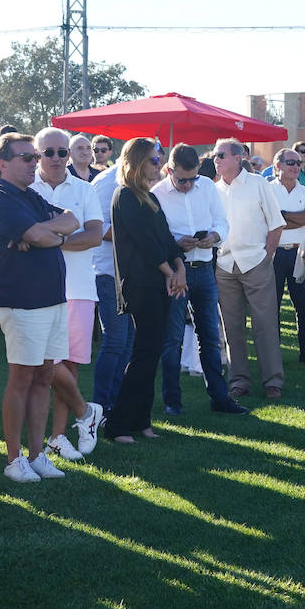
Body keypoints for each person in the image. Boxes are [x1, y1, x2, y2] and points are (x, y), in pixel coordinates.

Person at [0, 132, 84, 483]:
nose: (35, 162)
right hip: (22, 301)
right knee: (22, 378)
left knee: (44, 376)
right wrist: (45, 235)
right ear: (3, 163)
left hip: (52, 299)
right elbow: (47, 236)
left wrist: (44, 233)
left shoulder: (32, 196)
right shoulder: (0, 197)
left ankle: (37, 453)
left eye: (36, 156)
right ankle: (14, 460)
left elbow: (72, 221)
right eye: (27, 157)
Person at [151, 144, 248, 415]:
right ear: (169, 170)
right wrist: (175, 243)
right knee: (172, 339)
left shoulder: (206, 186)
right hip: (175, 272)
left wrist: (214, 237)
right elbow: (154, 237)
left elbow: (222, 222)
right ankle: (172, 402)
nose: (188, 185)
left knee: (209, 335)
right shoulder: (157, 194)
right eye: (182, 179)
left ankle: (220, 398)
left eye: (193, 178)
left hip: (205, 268)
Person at [29, 128, 105, 462]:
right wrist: (61, 234)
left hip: (78, 287)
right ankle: (85, 411)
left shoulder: (86, 190)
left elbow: (94, 236)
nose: (58, 158)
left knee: (68, 364)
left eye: (63, 152)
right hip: (36, 289)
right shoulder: (24, 188)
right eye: (50, 152)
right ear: (37, 154)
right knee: (44, 363)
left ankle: (58, 436)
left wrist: (50, 239)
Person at [102, 138, 186, 442]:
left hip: (159, 282)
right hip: (139, 284)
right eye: (154, 159)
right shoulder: (124, 195)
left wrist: (180, 267)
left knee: (151, 353)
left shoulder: (148, 197)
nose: (159, 163)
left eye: (159, 157)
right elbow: (145, 244)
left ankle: (141, 420)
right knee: (144, 353)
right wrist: (171, 272)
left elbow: (166, 239)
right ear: (137, 162)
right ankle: (118, 424)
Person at [211, 138, 286, 400]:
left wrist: (267, 256)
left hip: (256, 263)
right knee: (232, 327)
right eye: (215, 155)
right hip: (225, 264)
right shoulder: (213, 189)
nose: (216, 159)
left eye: (221, 155)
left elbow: (276, 224)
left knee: (265, 325)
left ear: (238, 157)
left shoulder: (258, 183)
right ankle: (239, 380)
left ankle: (273, 381)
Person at [90, 149, 138, 410]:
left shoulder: (132, 183)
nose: (156, 167)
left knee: (128, 341)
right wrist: (137, 234)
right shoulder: (106, 183)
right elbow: (97, 228)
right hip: (107, 272)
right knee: (115, 341)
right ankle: (100, 405)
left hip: (129, 274)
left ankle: (116, 402)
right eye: (152, 160)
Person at [269, 147, 305, 367]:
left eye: (298, 162)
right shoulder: (267, 189)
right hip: (274, 253)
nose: (296, 166)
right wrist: (292, 220)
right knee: (272, 306)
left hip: (299, 253)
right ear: (277, 165)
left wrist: (282, 217)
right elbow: (267, 222)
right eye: (291, 162)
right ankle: (273, 353)